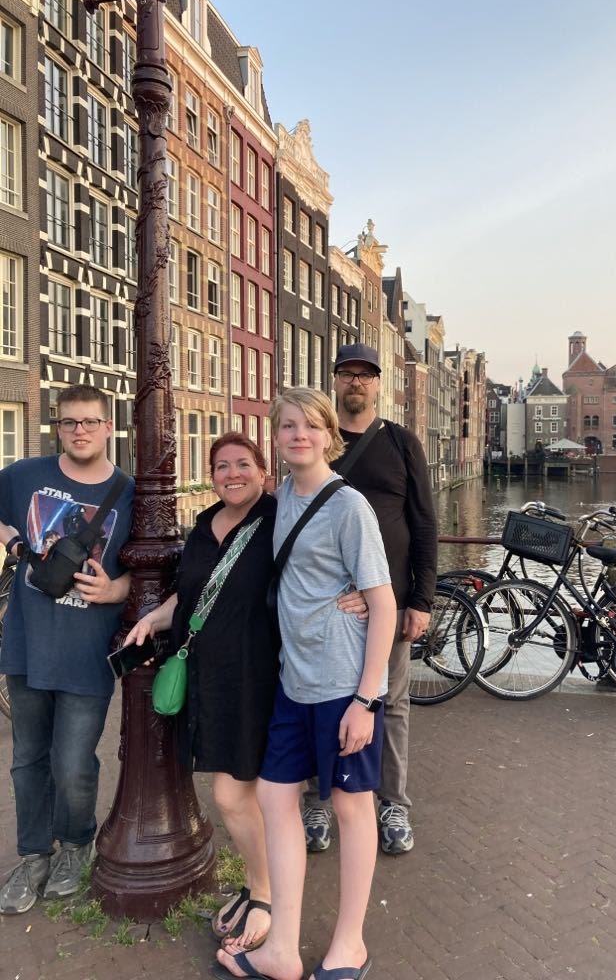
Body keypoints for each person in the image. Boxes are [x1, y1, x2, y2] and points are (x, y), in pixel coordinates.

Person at [123, 432, 366, 957]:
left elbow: (325, 561)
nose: (231, 474)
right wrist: (152, 618)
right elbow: (192, 594)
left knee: (234, 795)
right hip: (210, 680)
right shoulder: (204, 524)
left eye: (242, 464)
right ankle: (264, 885)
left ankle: (266, 893)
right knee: (243, 794)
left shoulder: (278, 518)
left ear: (263, 472)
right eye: (221, 466)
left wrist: (360, 595)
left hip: (258, 677)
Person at [215, 387, 396, 980]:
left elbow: (383, 605)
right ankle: (281, 949)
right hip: (294, 681)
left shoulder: (349, 507)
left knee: (351, 807)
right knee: (274, 797)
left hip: (342, 684)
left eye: (311, 425)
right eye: (288, 425)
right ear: (275, 436)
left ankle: (350, 945)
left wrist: (367, 699)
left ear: (328, 435)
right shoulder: (280, 499)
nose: (299, 435)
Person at [0, 384, 134, 914]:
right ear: (58, 427)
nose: (80, 431)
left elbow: (151, 572)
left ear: (108, 427)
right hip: (26, 646)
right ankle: (34, 855)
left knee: (74, 763)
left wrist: (115, 590)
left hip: (85, 653)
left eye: (90, 421)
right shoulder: (23, 476)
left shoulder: (129, 493)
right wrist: (13, 541)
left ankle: (76, 845)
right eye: (69, 422)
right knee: (27, 760)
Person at [302, 343, 437, 857]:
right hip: (325, 605)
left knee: (392, 704)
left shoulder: (401, 443)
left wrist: (421, 600)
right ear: (335, 381)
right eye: (347, 373)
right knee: (316, 698)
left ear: (378, 384)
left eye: (365, 374)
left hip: (390, 602)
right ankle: (318, 800)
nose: (356, 382)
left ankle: (392, 802)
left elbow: (423, 525)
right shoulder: (318, 442)